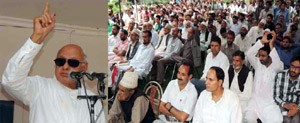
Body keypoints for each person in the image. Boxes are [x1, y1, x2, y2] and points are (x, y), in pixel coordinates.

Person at [1, 3, 105, 123]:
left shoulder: (93, 100)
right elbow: (10, 81)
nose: (65, 66)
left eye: (72, 62)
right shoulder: (39, 88)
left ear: (84, 67)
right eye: (60, 61)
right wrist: (37, 37)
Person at [244, 31, 283, 122]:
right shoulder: (258, 64)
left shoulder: (276, 66)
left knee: (275, 120)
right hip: (255, 101)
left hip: (269, 103)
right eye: (259, 55)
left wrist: (271, 44)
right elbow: (249, 54)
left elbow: (277, 62)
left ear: (270, 56)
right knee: (248, 118)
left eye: (263, 56)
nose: (260, 58)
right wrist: (261, 41)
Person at [223, 50, 253, 115]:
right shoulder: (229, 68)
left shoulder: (248, 73)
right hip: (228, 97)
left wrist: (234, 98)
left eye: (237, 61)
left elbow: (247, 95)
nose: (234, 63)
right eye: (233, 60)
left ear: (242, 62)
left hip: (241, 101)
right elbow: (225, 87)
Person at [274, 56, 300, 123]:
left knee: (296, 120)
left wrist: (297, 109)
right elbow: (276, 96)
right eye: (292, 66)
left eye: (297, 68)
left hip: (296, 106)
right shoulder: (280, 76)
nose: (293, 70)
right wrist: (285, 105)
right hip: (282, 104)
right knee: (286, 120)